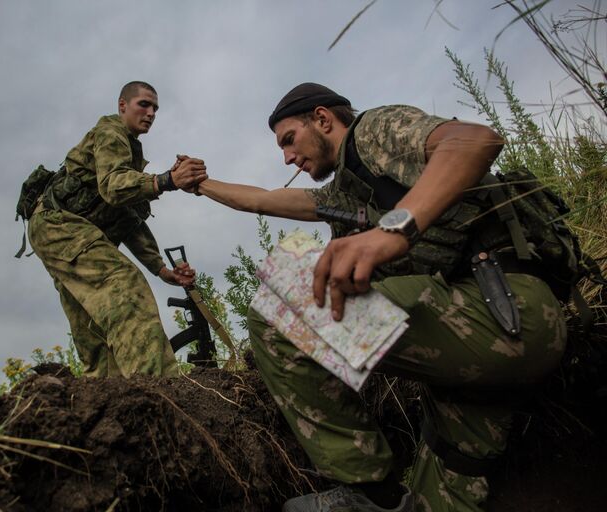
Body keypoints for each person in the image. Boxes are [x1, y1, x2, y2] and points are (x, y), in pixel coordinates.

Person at [189, 83, 567, 511]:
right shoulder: (343, 193)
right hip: (474, 349)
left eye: (289, 140)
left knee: (278, 307)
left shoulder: (372, 132)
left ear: (323, 119)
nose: (288, 157)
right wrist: (200, 185)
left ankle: (369, 489)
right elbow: (262, 199)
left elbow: (474, 140)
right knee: (441, 491)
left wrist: (393, 231)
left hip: (505, 308)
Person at [28, 81, 207, 378]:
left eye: (156, 108)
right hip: (60, 226)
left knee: (92, 326)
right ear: (122, 105)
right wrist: (167, 180)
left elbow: (128, 218)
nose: (151, 113)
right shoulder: (111, 132)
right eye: (144, 105)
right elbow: (113, 187)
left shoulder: (129, 153)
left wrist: (163, 270)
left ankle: (108, 400)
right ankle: (160, 391)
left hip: (59, 233)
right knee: (125, 287)